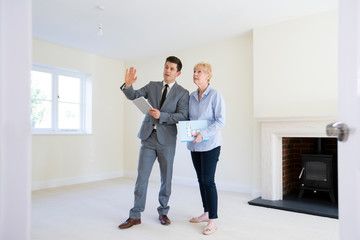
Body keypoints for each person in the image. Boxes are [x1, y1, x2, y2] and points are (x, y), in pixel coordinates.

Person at [118, 56, 189, 229]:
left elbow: (183, 115)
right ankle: (135, 215)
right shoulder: (152, 86)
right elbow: (134, 96)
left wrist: (162, 116)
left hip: (167, 141)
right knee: (141, 177)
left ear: (178, 73)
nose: (167, 70)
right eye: (166, 67)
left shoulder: (183, 93)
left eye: (172, 68)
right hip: (148, 137)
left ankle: (163, 211)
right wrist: (128, 85)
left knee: (166, 178)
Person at [187, 62, 225, 235]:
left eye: (199, 72)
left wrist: (204, 133)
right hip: (195, 146)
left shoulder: (215, 95)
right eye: (194, 72)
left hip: (210, 145)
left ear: (208, 75)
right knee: (201, 180)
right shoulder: (191, 96)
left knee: (208, 180)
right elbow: (188, 118)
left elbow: (220, 121)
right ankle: (206, 212)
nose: (195, 74)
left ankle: (213, 220)